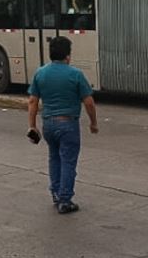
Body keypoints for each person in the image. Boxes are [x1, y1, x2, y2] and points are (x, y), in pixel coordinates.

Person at [26, 35, 97, 214]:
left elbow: (33, 101)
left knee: (54, 158)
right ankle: (65, 199)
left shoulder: (40, 73)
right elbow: (88, 102)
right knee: (68, 161)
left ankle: (56, 193)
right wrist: (93, 122)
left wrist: (32, 126)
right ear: (68, 55)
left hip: (48, 125)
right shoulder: (75, 74)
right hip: (68, 125)